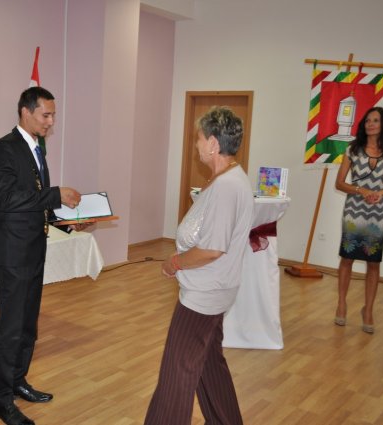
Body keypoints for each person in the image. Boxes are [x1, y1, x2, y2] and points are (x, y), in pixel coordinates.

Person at [144, 106, 253, 425]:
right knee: (208, 365)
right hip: (214, 289)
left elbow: (211, 249)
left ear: (214, 144)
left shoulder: (227, 186)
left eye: (199, 138)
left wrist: (174, 263)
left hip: (204, 294)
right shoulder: (226, 179)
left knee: (176, 373)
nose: (196, 144)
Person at [0, 86, 84, 425]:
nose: (51, 121)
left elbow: (37, 204)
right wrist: (56, 195)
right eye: (46, 114)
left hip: (33, 250)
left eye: (53, 115)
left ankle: (17, 381)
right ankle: (0, 400)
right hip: (12, 254)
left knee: (28, 326)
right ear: (25, 112)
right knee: (11, 328)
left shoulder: (36, 148)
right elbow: (8, 200)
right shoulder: (4, 148)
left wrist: (67, 223)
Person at [334, 106, 383, 334]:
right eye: (368, 120)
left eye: (376, 120)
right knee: (347, 257)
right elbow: (339, 183)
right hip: (353, 212)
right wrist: (361, 190)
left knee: (373, 262)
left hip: (377, 216)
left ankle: (368, 310)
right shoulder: (353, 149)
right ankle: (341, 304)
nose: (370, 124)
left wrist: (381, 193)